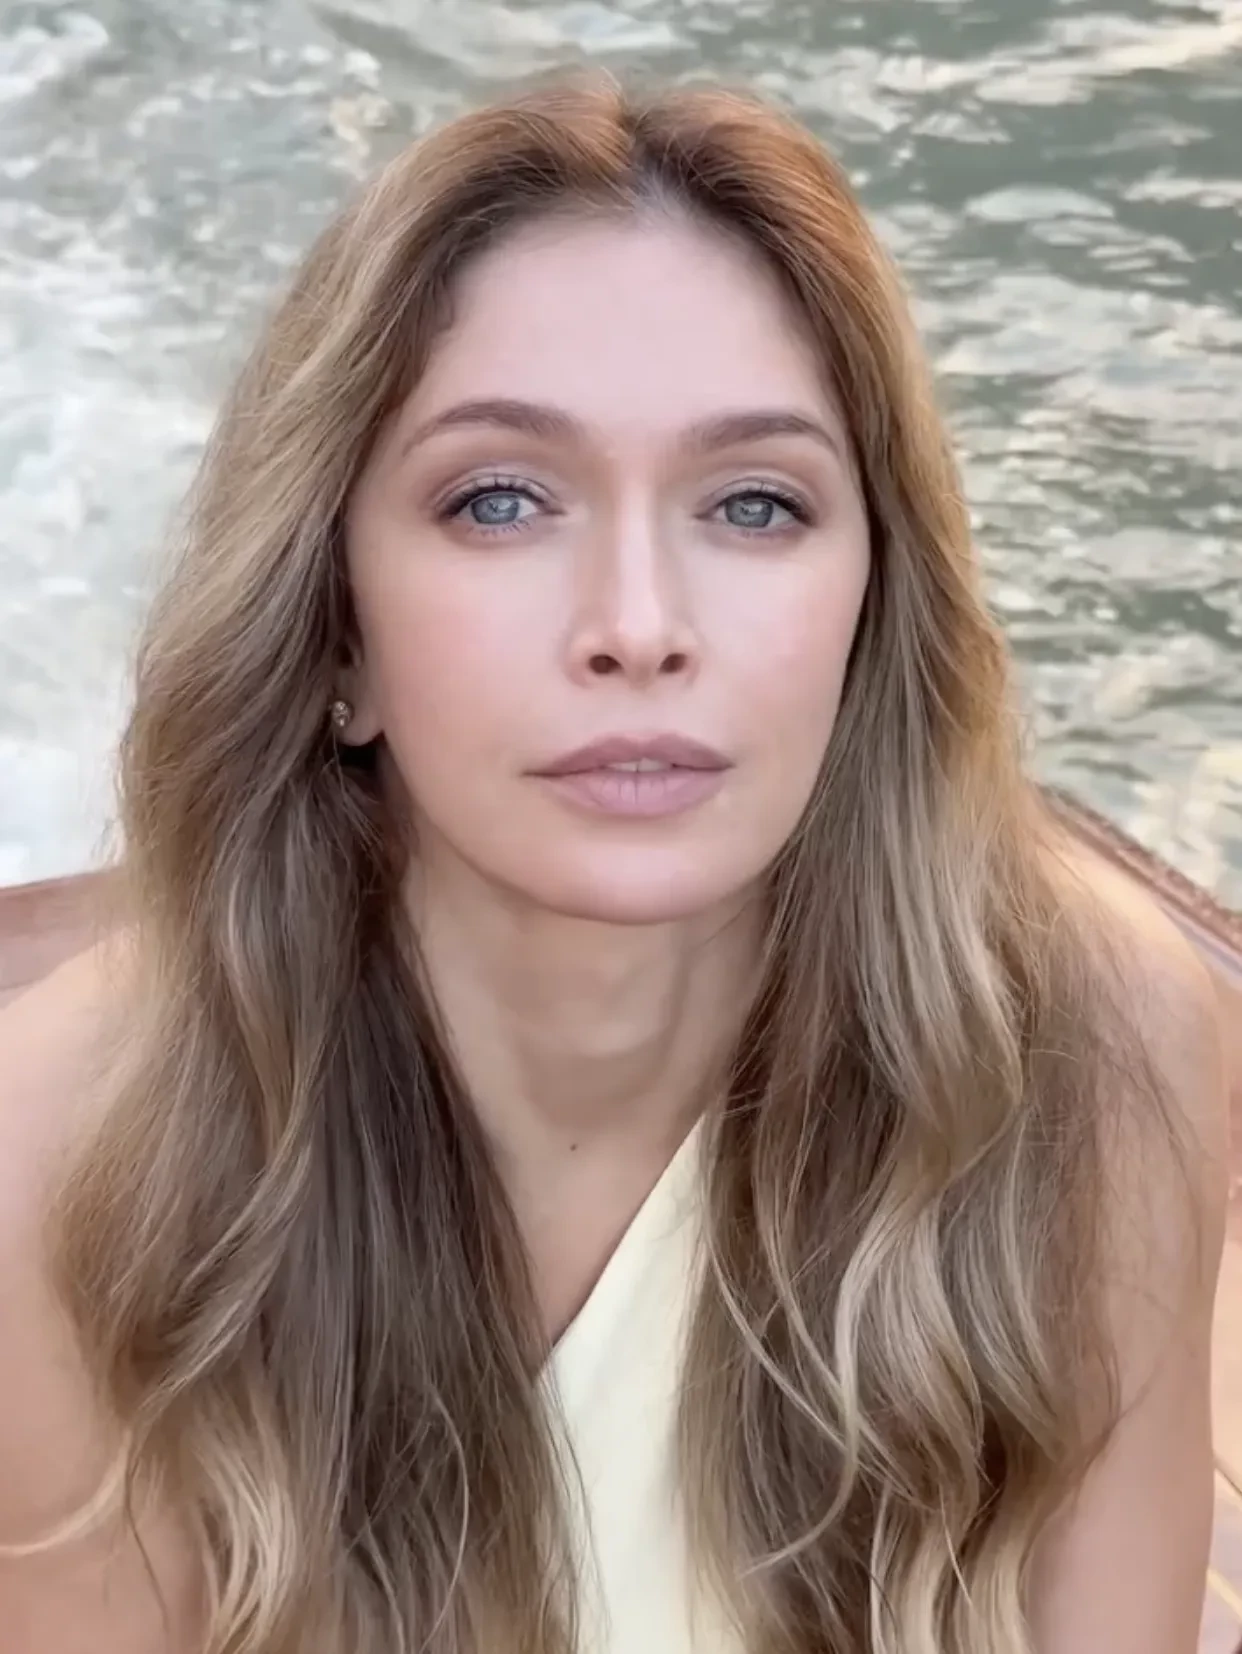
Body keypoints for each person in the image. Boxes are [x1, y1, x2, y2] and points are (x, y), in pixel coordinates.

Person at [0, 69, 1229, 1654]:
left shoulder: (1091, 1054)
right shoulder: (67, 1153)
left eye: (755, 503)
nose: (639, 625)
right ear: (335, 631)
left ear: (870, 613)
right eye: (500, 500)